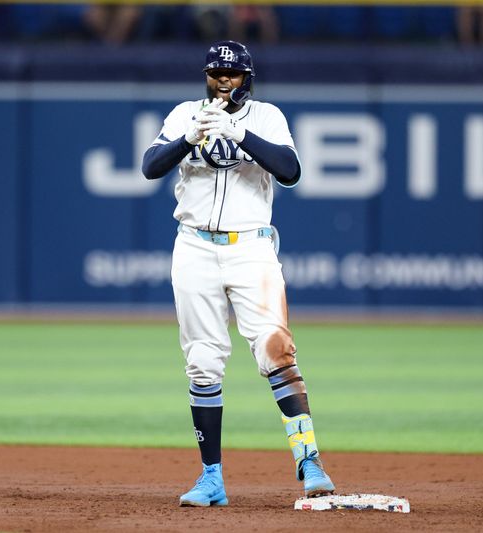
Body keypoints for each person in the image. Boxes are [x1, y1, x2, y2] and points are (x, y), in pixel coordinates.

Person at [141, 40, 336, 507]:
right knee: (203, 362)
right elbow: (151, 167)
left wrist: (240, 133)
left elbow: (290, 171)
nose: (222, 80)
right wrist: (189, 138)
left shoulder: (267, 117)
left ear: (247, 77)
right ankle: (211, 478)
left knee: (276, 349)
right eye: (214, 72)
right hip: (194, 246)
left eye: (231, 73)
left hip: (251, 246)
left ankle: (309, 461)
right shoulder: (186, 114)